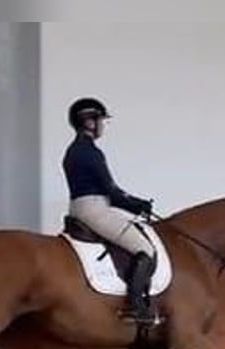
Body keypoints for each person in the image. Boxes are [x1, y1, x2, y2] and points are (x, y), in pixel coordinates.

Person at [62, 97, 158, 325]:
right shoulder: (90, 152)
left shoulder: (73, 151)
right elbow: (112, 192)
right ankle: (135, 307)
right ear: (88, 122)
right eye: (100, 120)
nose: (102, 125)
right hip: (95, 208)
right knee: (144, 248)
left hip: (80, 207)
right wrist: (137, 204)